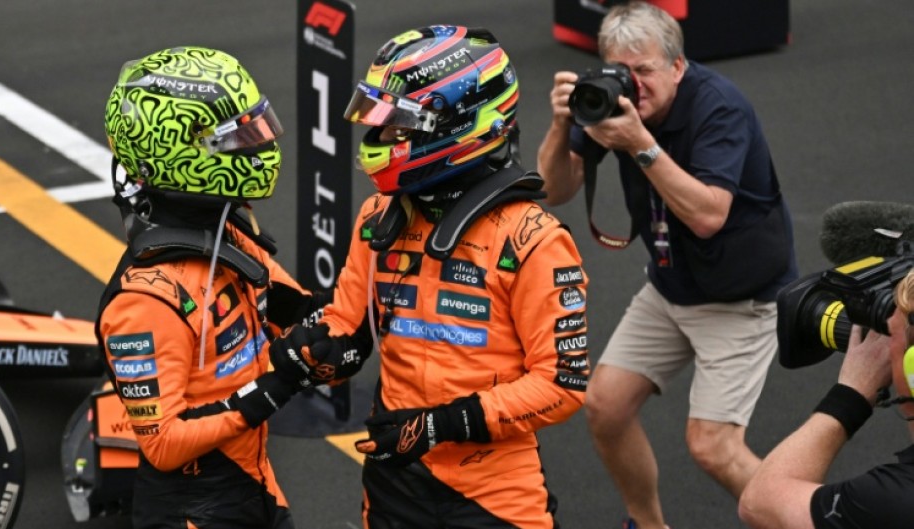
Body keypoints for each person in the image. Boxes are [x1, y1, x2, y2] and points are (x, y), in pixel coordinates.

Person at [275, 25, 589, 528]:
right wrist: (306, 355)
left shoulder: (534, 239)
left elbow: (562, 384)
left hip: (494, 497)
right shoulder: (379, 215)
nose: (379, 139)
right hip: (394, 481)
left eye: (396, 125)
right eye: (378, 123)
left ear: (459, 124)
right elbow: (346, 328)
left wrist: (441, 425)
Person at [536, 2, 798, 528]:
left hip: (739, 298)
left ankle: (812, 521)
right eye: (620, 72)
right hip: (671, 286)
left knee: (712, 446)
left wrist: (641, 145)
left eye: (646, 71)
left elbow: (707, 216)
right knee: (605, 407)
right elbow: (554, 190)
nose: (633, 85)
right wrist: (562, 126)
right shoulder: (611, 102)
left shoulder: (719, 108)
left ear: (678, 66)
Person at [97, 46, 370, 529]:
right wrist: (279, 384)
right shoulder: (143, 301)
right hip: (193, 510)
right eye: (238, 138)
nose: (258, 146)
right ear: (178, 154)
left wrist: (366, 305)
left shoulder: (228, 230)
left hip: (254, 487)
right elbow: (162, 445)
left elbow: (305, 314)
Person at [739, 269, 914, 528]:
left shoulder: (890, 500)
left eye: (891, 336)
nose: (886, 347)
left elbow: (759, 503)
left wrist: (850, 394)